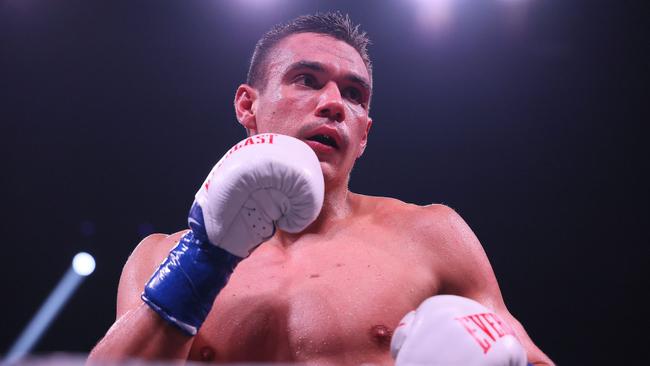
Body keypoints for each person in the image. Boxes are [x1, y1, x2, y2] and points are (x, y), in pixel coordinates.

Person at [88, 12, 554, 365]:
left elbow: (528, 356)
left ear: (364, 134)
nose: (333, 104)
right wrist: (203, 260)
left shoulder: (431, 235)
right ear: (248, 105)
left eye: (354, 94)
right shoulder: (158, 259)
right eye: (306, 80)